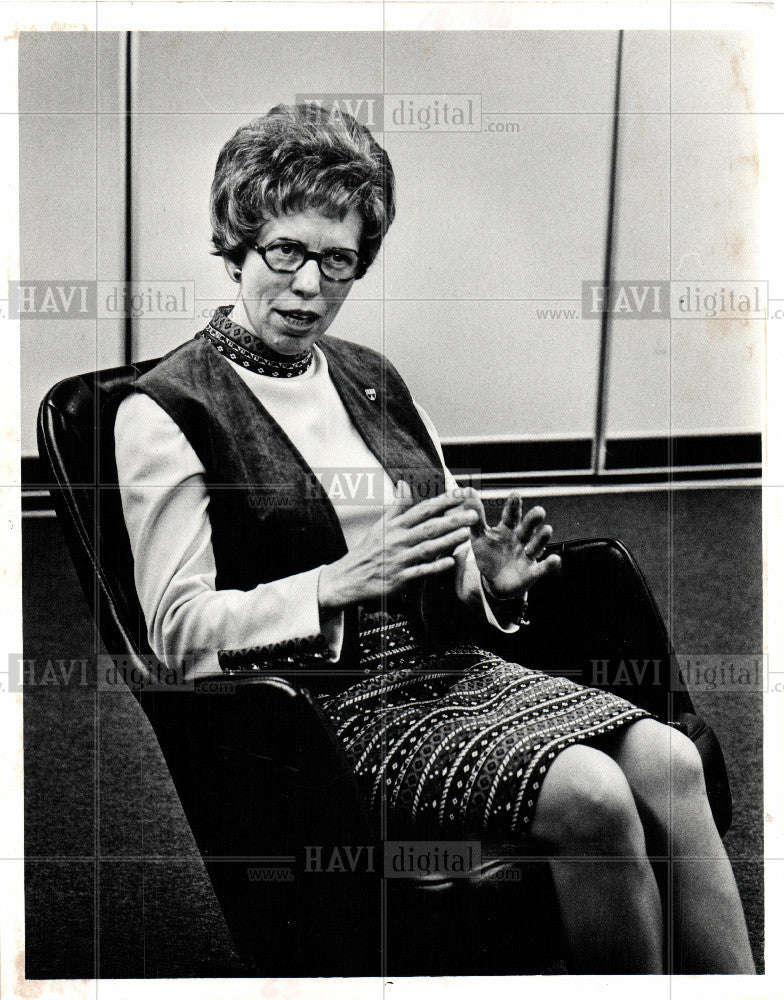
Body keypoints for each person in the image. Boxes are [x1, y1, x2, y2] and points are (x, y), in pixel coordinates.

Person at [113, 104, 754, 974]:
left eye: (339, 262)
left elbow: (444, 547)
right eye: (287, 253)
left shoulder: (373, 377)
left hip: (447, 663)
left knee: (671, 761)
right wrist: (334, 584)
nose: (310, 286)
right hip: (326, 710)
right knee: (592, 791)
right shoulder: (166, 408)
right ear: (237, 243)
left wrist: (489, 579)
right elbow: (175, 635)